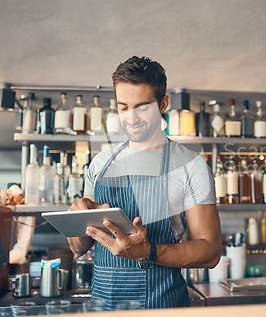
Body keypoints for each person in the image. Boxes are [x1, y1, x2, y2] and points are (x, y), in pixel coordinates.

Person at [67, 56, 221, 309]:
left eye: (142, 106)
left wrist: (147, 252)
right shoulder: (100, 164)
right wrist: (76, 220)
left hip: (162, 305)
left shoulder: (190, 165)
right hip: (103, 306)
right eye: (123, 107)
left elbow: (211, 252)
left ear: (163, 104)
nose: (131, 117)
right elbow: (79, 247)